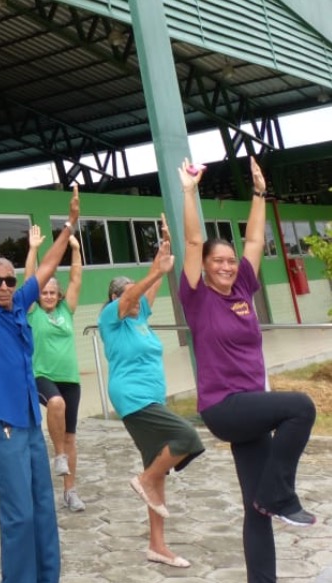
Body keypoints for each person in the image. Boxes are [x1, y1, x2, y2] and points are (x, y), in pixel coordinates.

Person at [178, 157, 317, 582]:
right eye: (216, 261)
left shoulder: (242, 286)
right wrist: (188, 191)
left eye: (229, 260)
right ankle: (279, 494)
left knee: (255, 509)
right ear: (204, 266)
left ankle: (267, 523)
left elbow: (255, 239)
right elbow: (193, 239)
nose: (225, 265)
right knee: (301, 407)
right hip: (224, 406)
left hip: (250, 407)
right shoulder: (196, 295)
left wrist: (259, 192)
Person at [0, 164, 77, 583]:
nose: (5, 286)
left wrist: (68, 227)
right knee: (19, 514)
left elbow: (45, 269)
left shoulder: (20, 305)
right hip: (2, 423)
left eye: (9, 280)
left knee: (43, 507)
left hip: (28, 420)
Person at [97, 219, 204, 569]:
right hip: (133, 399)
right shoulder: (110, 318)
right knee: (186, 436)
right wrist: (152, 273)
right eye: (125, 292)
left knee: (155, 469)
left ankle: (157, 545)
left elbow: (149, 286)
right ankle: (144, 480)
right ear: (113, 298)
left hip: (151, 397)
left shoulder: (140, 314)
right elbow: (133, 293)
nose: (133, 295)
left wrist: (162, 250)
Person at [24, 225, 86, 512]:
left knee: (72, 436)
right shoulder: (33, 312)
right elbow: (28, 280)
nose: (48, 296)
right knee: (56, 404)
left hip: (70, 378)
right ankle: (58, 455)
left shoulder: (65, 311)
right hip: (42, 376)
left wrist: (74, 249)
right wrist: (34, 249)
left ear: (58, 296)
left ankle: (70, 491)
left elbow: (75, 279)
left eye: (52, 292)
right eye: (44, 292)